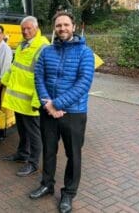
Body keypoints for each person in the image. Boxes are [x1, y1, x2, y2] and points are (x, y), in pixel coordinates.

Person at [29, 11, 94, 213]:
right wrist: (47, 103)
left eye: (66, 25)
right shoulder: (46, 51)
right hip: (48, 111)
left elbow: (83, 83)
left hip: (74, 112)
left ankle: (68, 193)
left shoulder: (85, 53)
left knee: (73, 155)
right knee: (49, 150)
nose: (62, 29)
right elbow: (38, 77)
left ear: (73, 27)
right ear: (54, 28)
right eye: (58, 26)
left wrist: (57, 104)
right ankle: (47, 184)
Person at [0, 16, 50, 177]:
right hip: (19, 100)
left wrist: (37, 101)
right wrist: (2, 83)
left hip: (31, 101)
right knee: (22, 130)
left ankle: (33, 163)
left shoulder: (42, 47)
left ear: (36, 28)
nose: (26, 31)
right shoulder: (23, 45)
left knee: (34, 134)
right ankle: (22, 154)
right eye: (23, 29)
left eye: (29, 28)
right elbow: (15, 68)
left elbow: (43, 77)